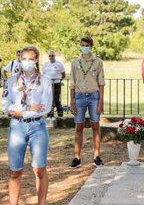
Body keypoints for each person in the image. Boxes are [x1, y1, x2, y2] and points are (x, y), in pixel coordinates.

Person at [0, 45, 52, 205]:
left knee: (39, 169)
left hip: (38, 127)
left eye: (31, 59)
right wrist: (28, 109)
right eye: (24, 58)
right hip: (16, 128)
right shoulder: (12, 80)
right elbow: (5, 105)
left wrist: (21, 111)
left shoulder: (44, 81)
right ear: (19, 59)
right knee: (15, 171)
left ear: (37, 60)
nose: (27, 62)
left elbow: (45, 106)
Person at [69, 36, 105, 168]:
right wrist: (71, 102)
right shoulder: (74, 62)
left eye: (87, 45)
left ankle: (96, 156)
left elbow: (101, 83)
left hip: (93, 97)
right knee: (79, 126)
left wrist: (101, 102)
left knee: (95, 125)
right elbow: (72, 83)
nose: (84, 47)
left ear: (91, 46)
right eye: (82, 44)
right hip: (79, 97)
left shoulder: (98, 62)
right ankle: (77, 157)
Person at [43, 50, 66, 118]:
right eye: (50, 56)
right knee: (49, 99)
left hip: (56, 84)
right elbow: (43, 74)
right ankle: (50, 114)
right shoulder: (46, 64)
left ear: (55, 56)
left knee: (56, 100)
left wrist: (58, 80)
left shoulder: (59, 64)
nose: (51, 57)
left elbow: (63, 75)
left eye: (52, 55)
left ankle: (60, 114)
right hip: (48, 85)